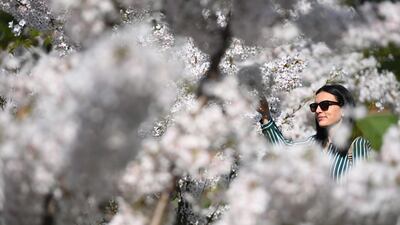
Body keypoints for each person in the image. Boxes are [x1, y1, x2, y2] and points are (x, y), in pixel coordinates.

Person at [258, 84, 372, 181]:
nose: (318, 110)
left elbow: (363, 189)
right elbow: (283, 148)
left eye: (325, 105)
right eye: (315, 106)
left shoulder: (357, 144)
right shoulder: (314, 143)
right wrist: (266, 115)